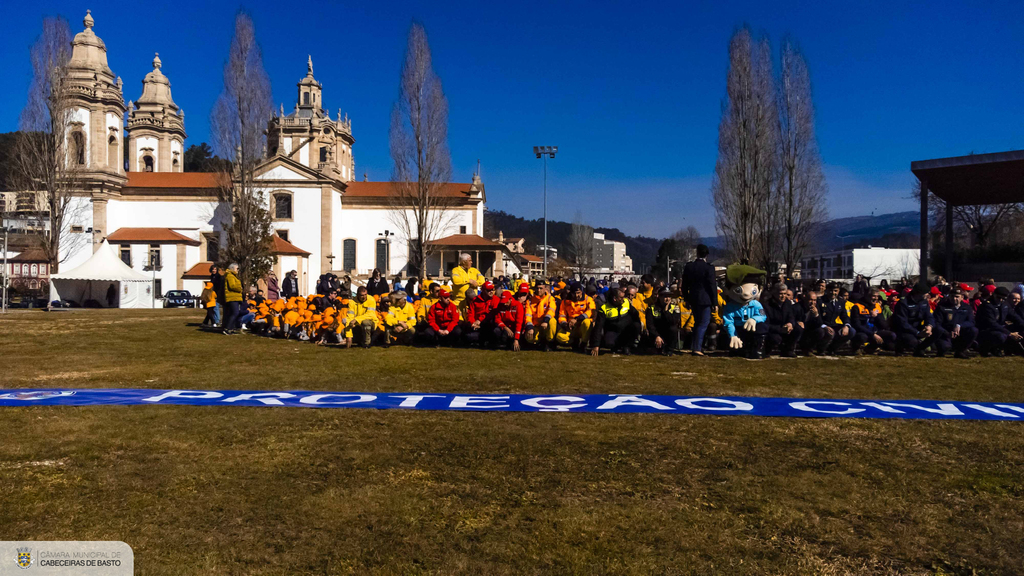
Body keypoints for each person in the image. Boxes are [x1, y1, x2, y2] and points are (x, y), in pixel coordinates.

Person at [681, 244, 717, 356]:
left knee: (697, 323)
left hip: (693, 297)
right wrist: (714, 302)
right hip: (705, 299)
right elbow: (712, 286)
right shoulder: (709, 268)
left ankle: (695, 346)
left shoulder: (689, 267)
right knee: (703, 323)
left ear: (697, 253)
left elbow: (684, 285)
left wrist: (686, 298)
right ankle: (697, 348)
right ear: (707, 254)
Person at [891, 283, 942, 357]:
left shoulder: (924, 302)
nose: (928, 295)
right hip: (905, 330)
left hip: (918, 327)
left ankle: (920, 349)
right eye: (926, 293)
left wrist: (929, 326)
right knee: (912, 342)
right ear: (918, 293)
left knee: (938, 330)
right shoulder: (903, 303)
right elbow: (902, 322)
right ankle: (900, 346)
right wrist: (917, 332)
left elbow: (929, 316)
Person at [590, 287, 643, 356]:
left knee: (636, 326)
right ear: (615, 299)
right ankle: (615, 346)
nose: (624, 299)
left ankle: (627, 346)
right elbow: (598, 327)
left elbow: (635, 315)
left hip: (626, 331)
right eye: (621, 298)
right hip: (613, 332)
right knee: (609, 343)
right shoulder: (604, 309)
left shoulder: (626, 303)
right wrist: (596, 345)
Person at [977, 286, 1024, 357]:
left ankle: (1015, 350)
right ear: (994, 295)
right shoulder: (987, 306)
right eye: (999, 298)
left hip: (1000, 328)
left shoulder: (1004, 305)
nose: (1001, 300)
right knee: (1001, 336)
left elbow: (1015, 317)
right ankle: (988, 348)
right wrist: (1010, 333)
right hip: (988, 330)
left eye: (1003, 298)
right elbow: (991, 323)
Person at [935, 288, 978, 359]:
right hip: (946, 333)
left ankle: (960, 351)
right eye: (952, 296)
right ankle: (941, 350)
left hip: (960, 333)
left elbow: (971, 322)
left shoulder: (967, 308)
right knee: (945, 347)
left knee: (974, 330)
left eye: (957, 297)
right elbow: (937, 323)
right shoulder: (942, 307)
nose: (954, 299)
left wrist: (959, 326)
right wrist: (946, 333)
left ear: (962, 297)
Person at [763, 283, 801, 357]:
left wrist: (790, 323)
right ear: (774, 294)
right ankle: (767, 351)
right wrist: (780, 329)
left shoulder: (787, 303)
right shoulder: (767, 305)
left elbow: (791, 316)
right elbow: (766, 324)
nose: (783, 296)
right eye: (781, 294)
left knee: (798, 329)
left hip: (785, 327)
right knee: (776, 338)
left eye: (785, 294)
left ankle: (788, 350)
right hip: (773, 330)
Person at [555, 284, 595, 351]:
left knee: (587, 322)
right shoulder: (565, 301)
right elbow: (562, 315)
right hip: (571, 326)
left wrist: (577, 319)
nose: (577, 295)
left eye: (578, 293)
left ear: (581, 292)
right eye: (574, 293)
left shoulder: (588, 299)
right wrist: (565, 325)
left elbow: (590, 312)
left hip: (582, 325)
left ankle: (584, 343)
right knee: (559, 337)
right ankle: (574, 342)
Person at [644, 288, 682, 356]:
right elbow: (650, 325)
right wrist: (657, 336)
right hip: (656, 334)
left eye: (669, 297)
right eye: (665, 296)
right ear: (659, 297)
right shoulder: (651, 308)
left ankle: (670, 349)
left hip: (668, 334)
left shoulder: (675, 308)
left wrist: (666, 311)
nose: (667, 299)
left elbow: (673, 322)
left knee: (673, 329)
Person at [819, 283, 853, 355]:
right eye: (831, 291)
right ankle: (821, 349)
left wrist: (846, 325)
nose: (833, 293)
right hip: (822, 325)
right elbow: (817, 317)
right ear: (827, 290)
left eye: (835, 291)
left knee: (851, 331)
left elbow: (844, 316)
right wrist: (824, 326)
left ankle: (832, 348)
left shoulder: (841, 302)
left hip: (833, 325)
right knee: (826, 332)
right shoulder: (820, 301)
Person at [491, 286, 528, 351]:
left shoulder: (518, 305)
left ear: (510, 299)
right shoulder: (500, 305)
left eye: (506, 302)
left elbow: (519, 322)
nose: (505, 304)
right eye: (503, 302)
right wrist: (506, 328)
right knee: (496, 330)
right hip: (505, 328)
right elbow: (497, 319)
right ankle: (500, 343)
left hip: (515, 328)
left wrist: (516, 339)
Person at [525, 280, 557, 351]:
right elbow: (528, 316)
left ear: (545, 289)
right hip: (536, 326)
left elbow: (551, 311)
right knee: (530, 338)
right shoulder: (530, 301)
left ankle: (549, 342)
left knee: (552, 321)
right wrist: (530, 328)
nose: (539, 290)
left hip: (546, 324)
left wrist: (545, 321)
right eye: (537, 288)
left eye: (541, 288)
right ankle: (539, 342)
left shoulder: (550, 298)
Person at [464, 281, 499, 347]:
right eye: (488, 290)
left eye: (492, 290)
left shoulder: (495, 299)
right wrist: (472, 323)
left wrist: (480, 321)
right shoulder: (475, 300)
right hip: (476, 326)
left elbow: (491, 314)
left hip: (489, 325)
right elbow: (470, 313)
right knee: (468, 336)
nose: (491, 292)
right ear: (483, 291)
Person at [222, 263, 243, 334]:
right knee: (235, 312)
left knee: (232, 313)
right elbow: (232, 286)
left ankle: (231, 328)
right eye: (237, 268)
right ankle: (227, 328)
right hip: (232, 298)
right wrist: (240, 288)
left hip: (235, 297)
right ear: (232, 268)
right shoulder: (230, 276)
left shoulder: (233, 276)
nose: (238, 270)